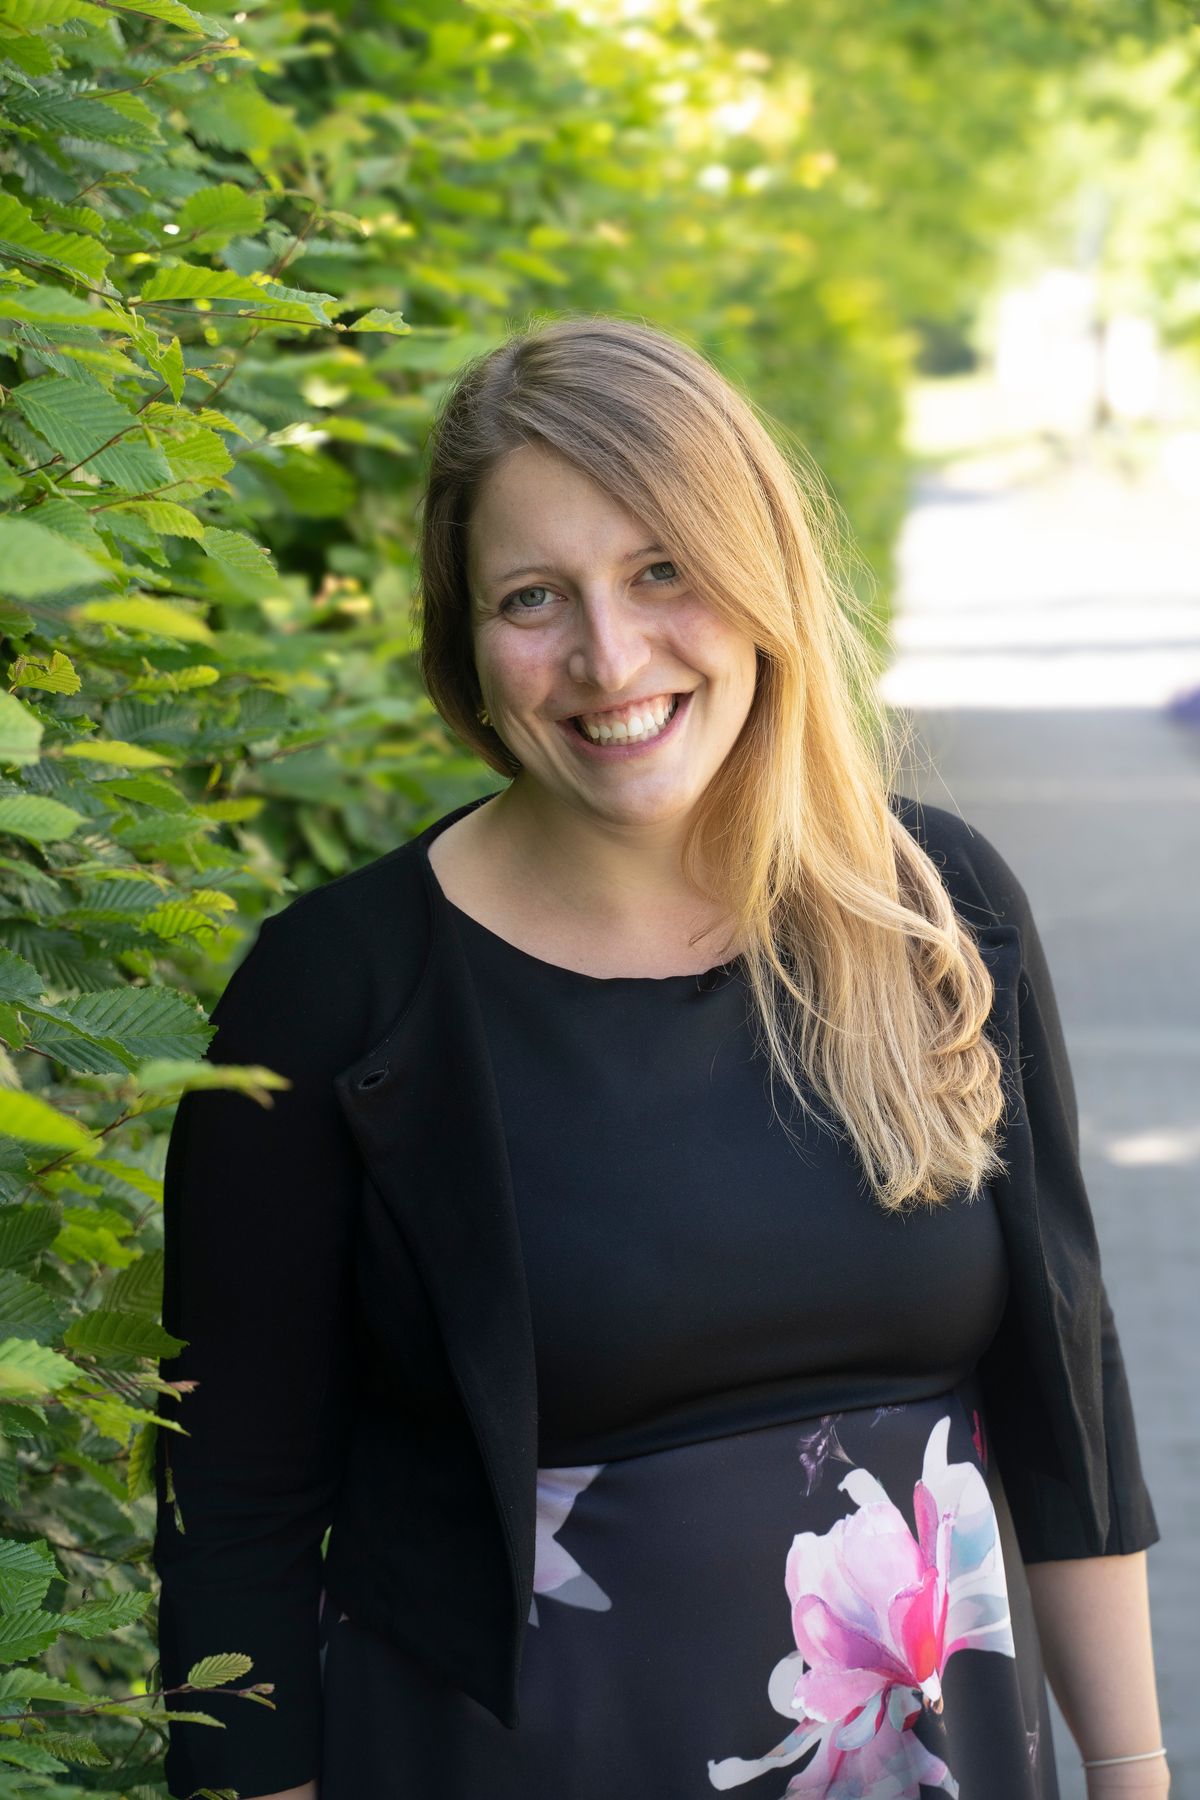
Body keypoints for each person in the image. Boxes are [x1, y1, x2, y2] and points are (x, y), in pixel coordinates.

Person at [153, 315, 1167, 1800]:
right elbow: (230, 1512)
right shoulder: (340, 994)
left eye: (661, 570)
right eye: (532, 597)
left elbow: (1070, 1407)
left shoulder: (932, 910)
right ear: (465, 642)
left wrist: (1136, 1771)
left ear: (760, 579)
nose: (607, 657)